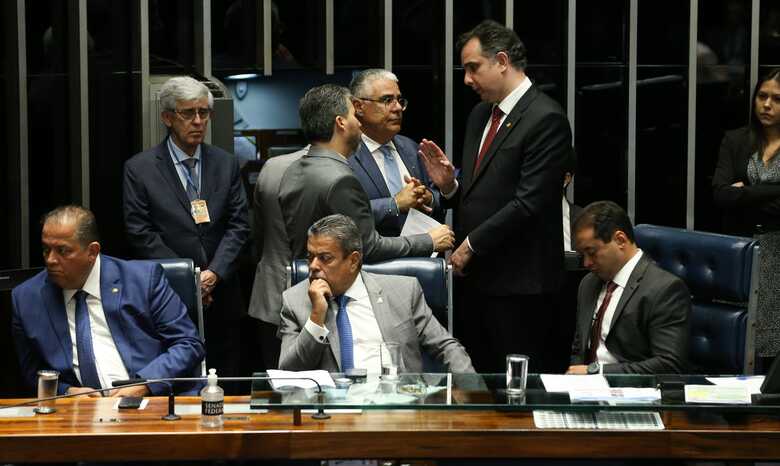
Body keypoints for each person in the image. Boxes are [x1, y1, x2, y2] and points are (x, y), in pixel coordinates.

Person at [418, 20, 572, 373]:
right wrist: (449, 187)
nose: (467, 79)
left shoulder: (546, 118)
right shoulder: (479, 115)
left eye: (473, 68)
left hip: (522, 288)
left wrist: (470, 245)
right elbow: (481, 196)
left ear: (502, 61)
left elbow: (529, 202)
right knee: (477, 386)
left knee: (517, 389)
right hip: (476, 282)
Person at [123, 76, 250, 381]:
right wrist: (188, 278)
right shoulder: (140, 169)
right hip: (168, 295)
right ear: (167, 118)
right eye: (188, 113)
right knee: (177, 380)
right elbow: (140, 232)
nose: (198, 121)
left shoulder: (226, 163)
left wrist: (213, 274)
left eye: (203, 112)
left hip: (222, 294)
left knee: (226, 380)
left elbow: (239, 225)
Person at [11, 206, 205, 396]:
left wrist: (145, 385)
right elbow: (32, 374)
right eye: (46, 250)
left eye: (63, 251)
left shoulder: (142, 280)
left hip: (151, 399)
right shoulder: (27, 298)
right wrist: (67, 392)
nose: (51, 260)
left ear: (92, 251)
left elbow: (188, 344)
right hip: (77, 410)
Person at [278, 84, 454, 263]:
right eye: (354, 116)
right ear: (341, 122)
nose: (359, 123)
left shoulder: (293, 170)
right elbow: (369, 247)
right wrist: (429, 240)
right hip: (333, 277)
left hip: (308, 274)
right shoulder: (341, 179)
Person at [278, 214, 475, 374]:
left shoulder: (404, 291)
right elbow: (287, 372)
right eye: (310, 257)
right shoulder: (295, 300)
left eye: (324, 258)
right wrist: (316, 318)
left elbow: (446, 347)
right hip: (332, 408)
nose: (313, 266)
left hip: (397, 401)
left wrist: (472, 391)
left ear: (353, 261)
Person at [566, 201, 690, 375]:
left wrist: (596, 372)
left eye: (592, 252)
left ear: (620, 240)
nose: (586, 263)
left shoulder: (665, 289)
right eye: (582, 255)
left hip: (632, 389)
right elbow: (579, 350)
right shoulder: (588, 283)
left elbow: (669, 365)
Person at [348, 69, 445, 236]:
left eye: (399, 100)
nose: (398, 108)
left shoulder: (411, 147)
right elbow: (343, 214)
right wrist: (394, 204)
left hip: (423, 249)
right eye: (387, 100)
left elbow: (437, 198)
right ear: (359, 107)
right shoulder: (346, 154)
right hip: (372, 251)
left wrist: (428, 197)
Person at [248, 145, 309, 370]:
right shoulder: (342, 170)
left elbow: (259, 232)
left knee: (275, 380)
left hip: (272, 291)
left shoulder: (273, 166)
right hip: (324, 300)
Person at [713, 67, 780, 237]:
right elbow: (721, 195)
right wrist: (775, 190)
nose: (766, 105)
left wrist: (743, 194)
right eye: (762, 96)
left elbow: (733, 198)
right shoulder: (734, 140)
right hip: (738, 242)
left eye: (777, 99)